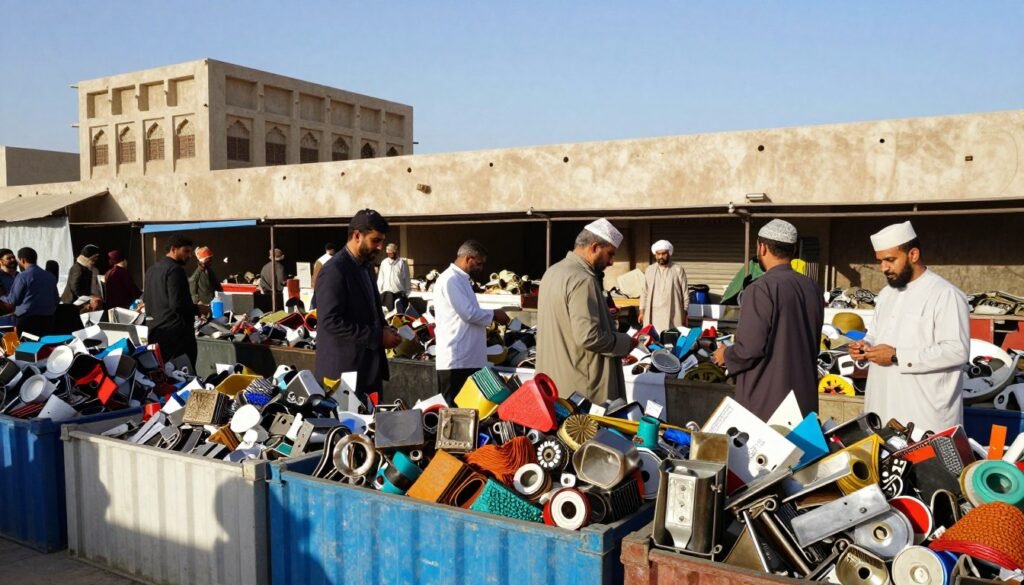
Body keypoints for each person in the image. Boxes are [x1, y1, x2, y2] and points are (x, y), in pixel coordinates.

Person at [850, 221, 970, 433]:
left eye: (890, 260)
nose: (884, 268)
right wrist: (864, 346)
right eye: (880, 261)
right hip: (882, 405)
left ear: (913, 254)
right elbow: (875, 334)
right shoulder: (886, 294)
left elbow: (957, 351)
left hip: (924, 413)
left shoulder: (945, 294)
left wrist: (897, 356)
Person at [712, 219, 823, 421]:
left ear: (762, 248)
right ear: (793, 250)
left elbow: (749, 349)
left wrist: (726, 355)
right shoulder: (812, 287)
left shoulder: (760, 289)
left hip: (768, 403)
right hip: (804, 400)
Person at [537, 219, 636, 403]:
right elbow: (588, 337)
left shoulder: (552, 272)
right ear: (595, 247)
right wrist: (625, 342)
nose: (611, 262)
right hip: (583, 389)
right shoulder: (583, 279)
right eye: (610, 254)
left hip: (554, 383)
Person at [314, 209, 401, 399]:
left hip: (368, 372)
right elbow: (330, 321)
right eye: (375, 240)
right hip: (344, 376)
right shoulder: (335, 270)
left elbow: (370, 312)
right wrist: (377, 336)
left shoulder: (366, 267)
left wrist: (386, 329)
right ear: (357, 236)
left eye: (382, 241)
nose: (380, 247)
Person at [434, 240, 511, 401]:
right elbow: (468, 313)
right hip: (456, 360)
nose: (481, 268)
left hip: (469, 358)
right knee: (454, 411)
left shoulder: (461, 279)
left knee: (470, 409)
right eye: (479, 263)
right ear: (468, 259)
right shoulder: (450, 279)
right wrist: (494, 314)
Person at [143, 235, 200, 368]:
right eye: (186, 251)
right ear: (173, 249)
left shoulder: (151, 270)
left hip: (156, 332)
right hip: (176, 336)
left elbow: (146, 299)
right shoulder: (175, 270)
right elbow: (177, 304)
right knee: (184, 373)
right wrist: (198, 309)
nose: (189, 256)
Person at [0, 247, 59, 336]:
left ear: (22, 260)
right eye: (9, 258)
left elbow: (13, 300)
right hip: (47, 320)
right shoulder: (49, 276)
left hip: (26, 320)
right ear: (0, 262)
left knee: (26, 344)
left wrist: (2, 297)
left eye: (14, 258)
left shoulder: (22, 276)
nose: (13, 260)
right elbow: (56, 300)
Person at [639, 239, 689, 332]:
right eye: (658, 254)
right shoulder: (650, 270)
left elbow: (685, 293)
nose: (661, 256)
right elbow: (644, 292)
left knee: (671, 336)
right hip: (653, 313)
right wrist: (642, 311)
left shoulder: (678, 270)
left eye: (663, 254)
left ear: (669, 253)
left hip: (674, 313)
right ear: (655, 255)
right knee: (653, 336)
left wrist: (685, 313)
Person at [61, 244, 103, 310]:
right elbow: (75, 287)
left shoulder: (86, 267)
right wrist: (90, 296)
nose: (96, 259)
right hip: (71, 302)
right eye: (95, 257)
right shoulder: (78, 268)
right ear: (89, 256)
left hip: (79, 302)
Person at [377, 243, 411, 313]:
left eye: (391, 252)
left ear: (395, 252)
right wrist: (379, 290)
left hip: (398, 292)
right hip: (387, 292)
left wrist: (407, 292)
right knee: (387, 313)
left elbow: (406, 278)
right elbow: (381, 278)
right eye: (388, 253)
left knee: (398, 313)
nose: (389, 254)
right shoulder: (384, 262)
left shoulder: (402, 262)